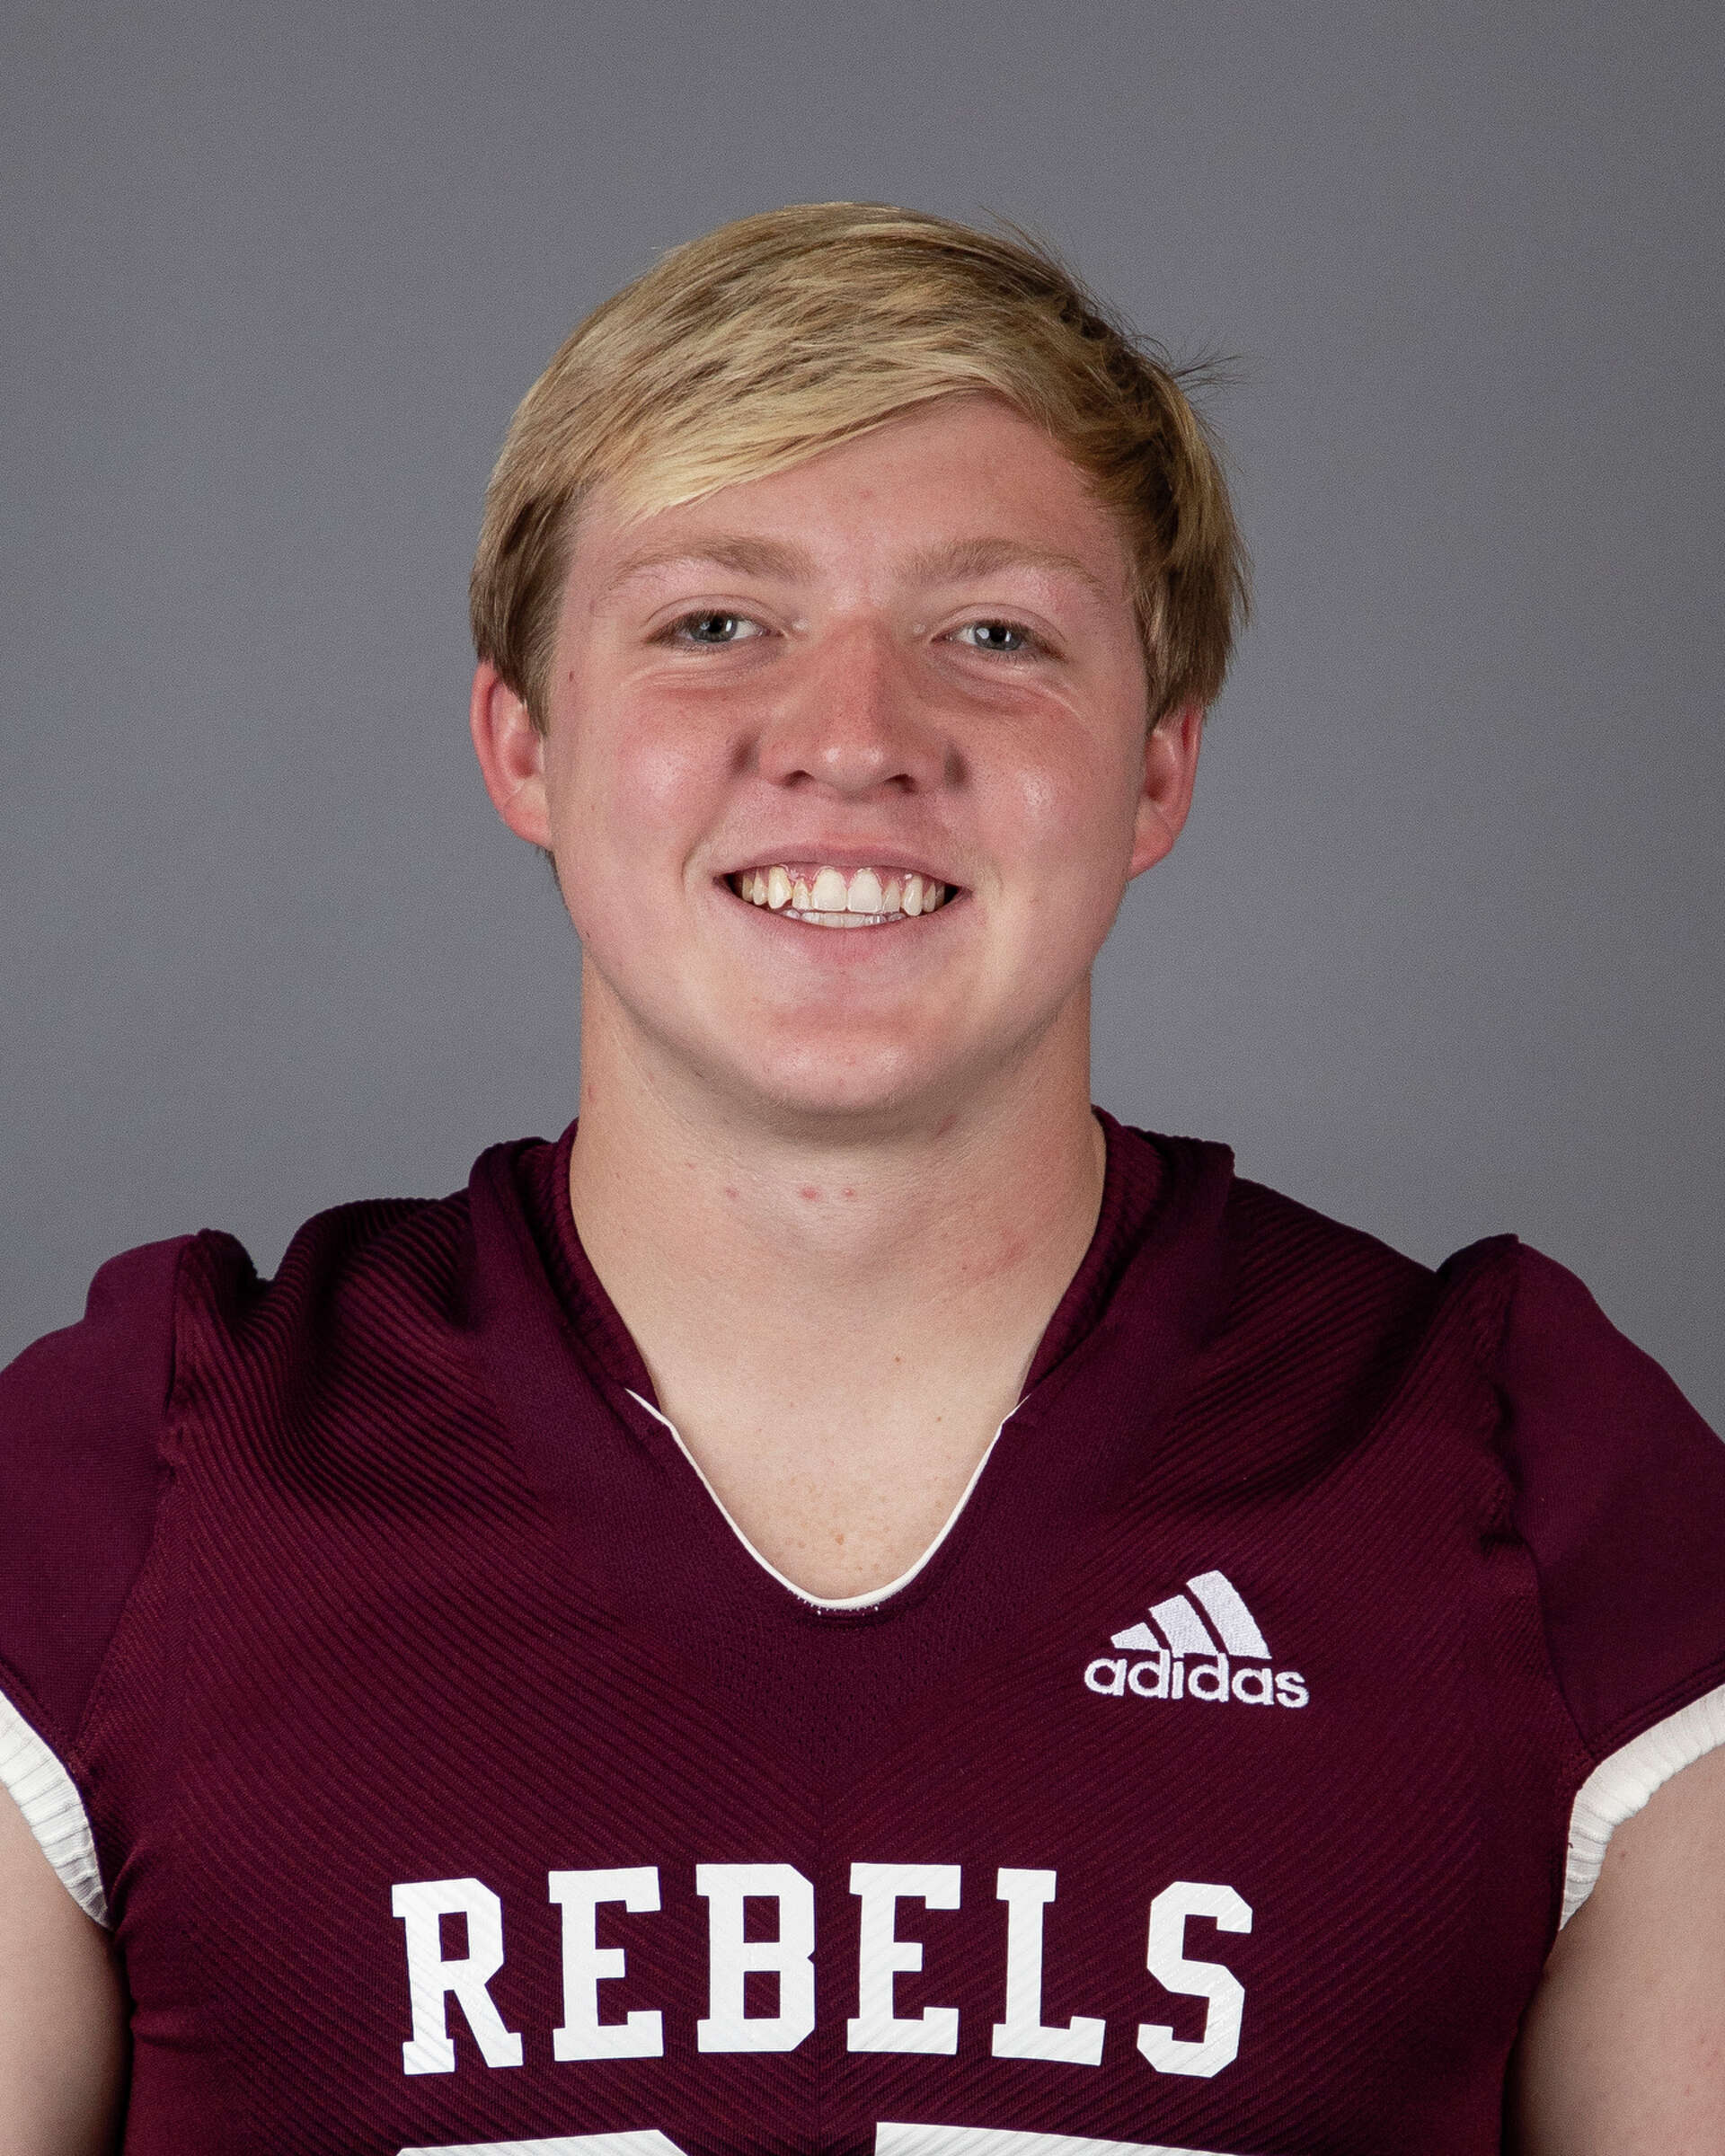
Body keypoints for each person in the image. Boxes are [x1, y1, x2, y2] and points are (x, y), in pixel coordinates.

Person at [1, 202, 1721, 2156]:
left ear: (1156, 771)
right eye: (714, 624)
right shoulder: (149, 1477)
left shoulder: (1528, 1480)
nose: (852, 741)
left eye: (993, 636)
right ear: (526, 744)